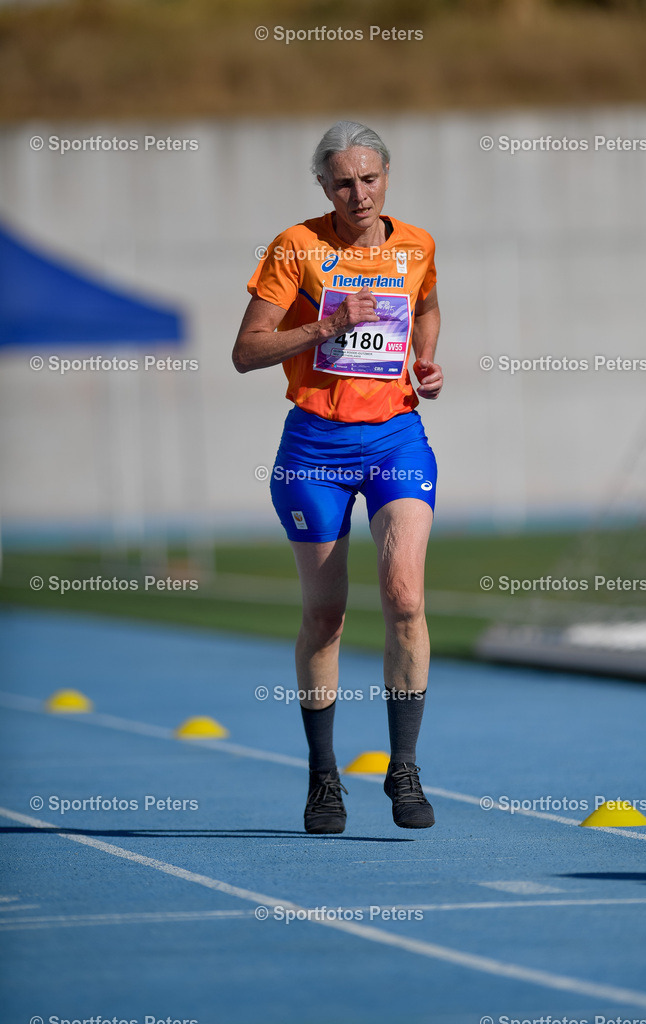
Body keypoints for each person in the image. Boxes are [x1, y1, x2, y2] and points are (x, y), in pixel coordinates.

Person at [233, 120, 443, 834]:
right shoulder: (295, 247)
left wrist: (426, 359)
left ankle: (404, 767)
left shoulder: (416, 244)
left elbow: (426, 307)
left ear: (387, 177)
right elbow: (246, 350)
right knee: (325, 615)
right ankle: (324, 780)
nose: (359, 193)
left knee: (405, 598)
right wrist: (322, 328)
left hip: (395, 438)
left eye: (370, 178)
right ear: (323, 186)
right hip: (315, 446)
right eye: (343, 182)